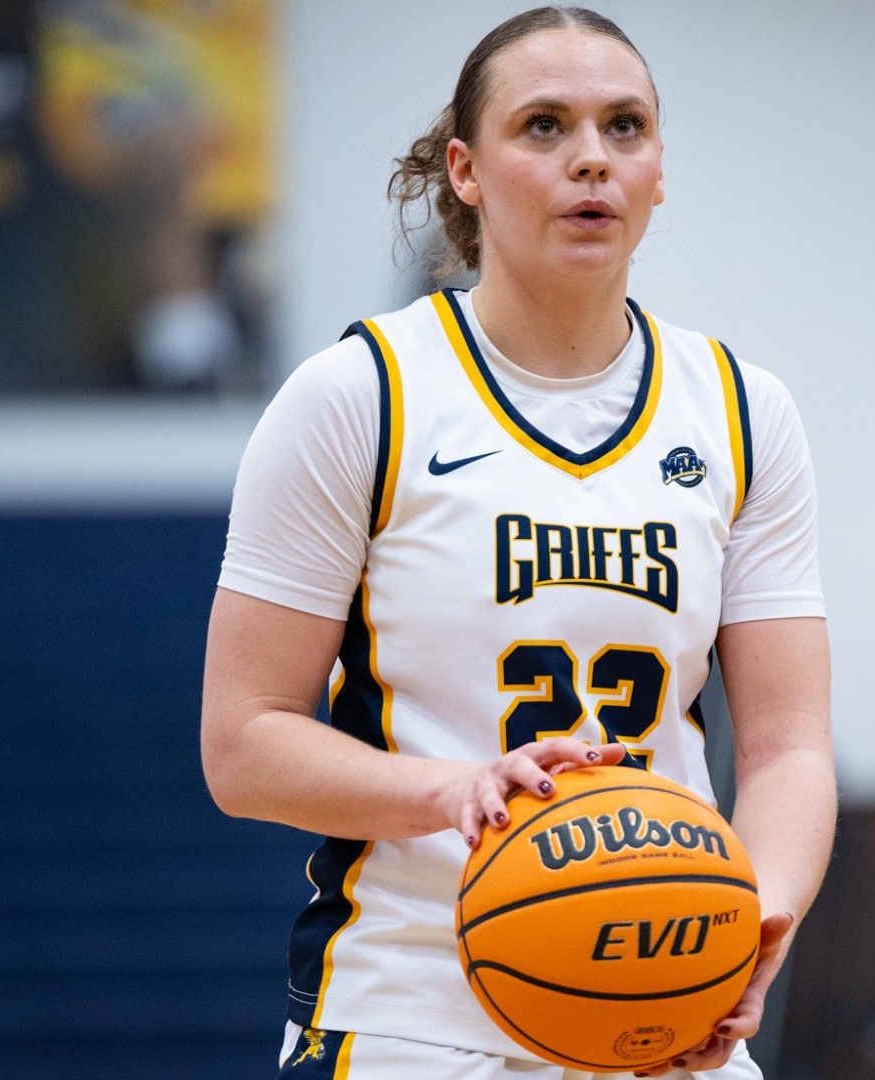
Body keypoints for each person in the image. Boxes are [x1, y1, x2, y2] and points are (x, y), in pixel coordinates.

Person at [199, 8, 836, 1079]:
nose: (591, 156)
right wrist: (454, 792)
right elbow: (242, 741)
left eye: (624, 126)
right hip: (412, 1008)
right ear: (466, 170)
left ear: (659, 169)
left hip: (661, 996)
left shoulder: (740, 410)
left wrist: (749, 931)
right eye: (544, 125)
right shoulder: (361, 395)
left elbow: (787, 750)